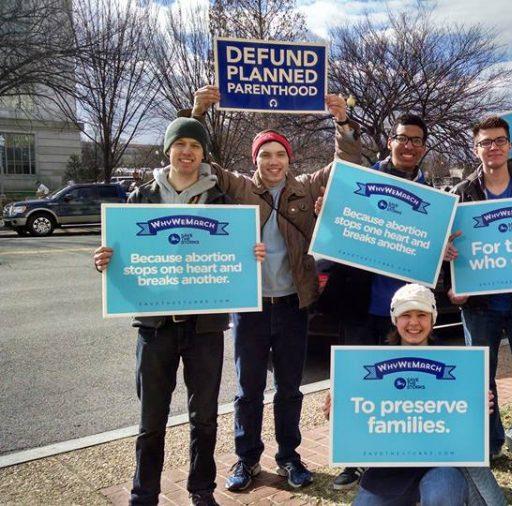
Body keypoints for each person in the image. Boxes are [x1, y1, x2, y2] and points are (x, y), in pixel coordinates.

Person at [188, 85, 358, 492]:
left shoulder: (306, 188)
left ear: (289, 158)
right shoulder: (240, 187)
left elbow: (346, 162)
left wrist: (342, 121)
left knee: (288, 388)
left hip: (293, 306)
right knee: (249, 390)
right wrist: (199, 112)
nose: (274, 161)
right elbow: (201, 160)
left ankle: (289, 457)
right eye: (265, 154)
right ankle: (246, 460)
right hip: (250, 306)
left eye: (280, 153)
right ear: (255, 160)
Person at [92, 117, 266, 506]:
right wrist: (103, 260)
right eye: (180, 144)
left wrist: (249, 255)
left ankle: (201, 490)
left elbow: (236, 253)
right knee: (151, 420)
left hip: (205, 329)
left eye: (195, 146)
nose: (187, 152)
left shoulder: (221, 200)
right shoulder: (140, 198)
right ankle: (145, 493)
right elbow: (119, 255)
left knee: (204, 418)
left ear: (204, 154)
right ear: (168, 149)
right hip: (155, 328)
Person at [315, 112, 432, 490]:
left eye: (416, 140)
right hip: (362, 302)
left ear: (424, 147)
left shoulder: (433, 195)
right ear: (390, 141)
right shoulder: (360, 181)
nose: (409, 145)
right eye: (403, 138)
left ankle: (401, 453)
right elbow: (337, 229)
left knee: (403, 384)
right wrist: (327, 217)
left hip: (408, 310)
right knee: (356, 381)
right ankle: (352, 459)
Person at [324, 283, 507, 506]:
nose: (413, 323)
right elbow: (360, 422)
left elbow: (469, 435)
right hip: (390, 468)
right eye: (406, 315)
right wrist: (340, 411)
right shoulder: (370, 363)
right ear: (395, 319)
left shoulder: (459, 366)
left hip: (442, 464)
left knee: (443, 494)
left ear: (432, 319)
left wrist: (479, 412)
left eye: (422, 315)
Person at [444, 115, 512, 459]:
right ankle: (489, 443)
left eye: (499, 140)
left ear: (510, 146)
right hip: (479, 307)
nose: (494, 147)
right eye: (486, 142)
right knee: (480, 379)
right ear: (476, 150)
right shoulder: (461, 194)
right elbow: (447, 252)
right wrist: (450, 279)